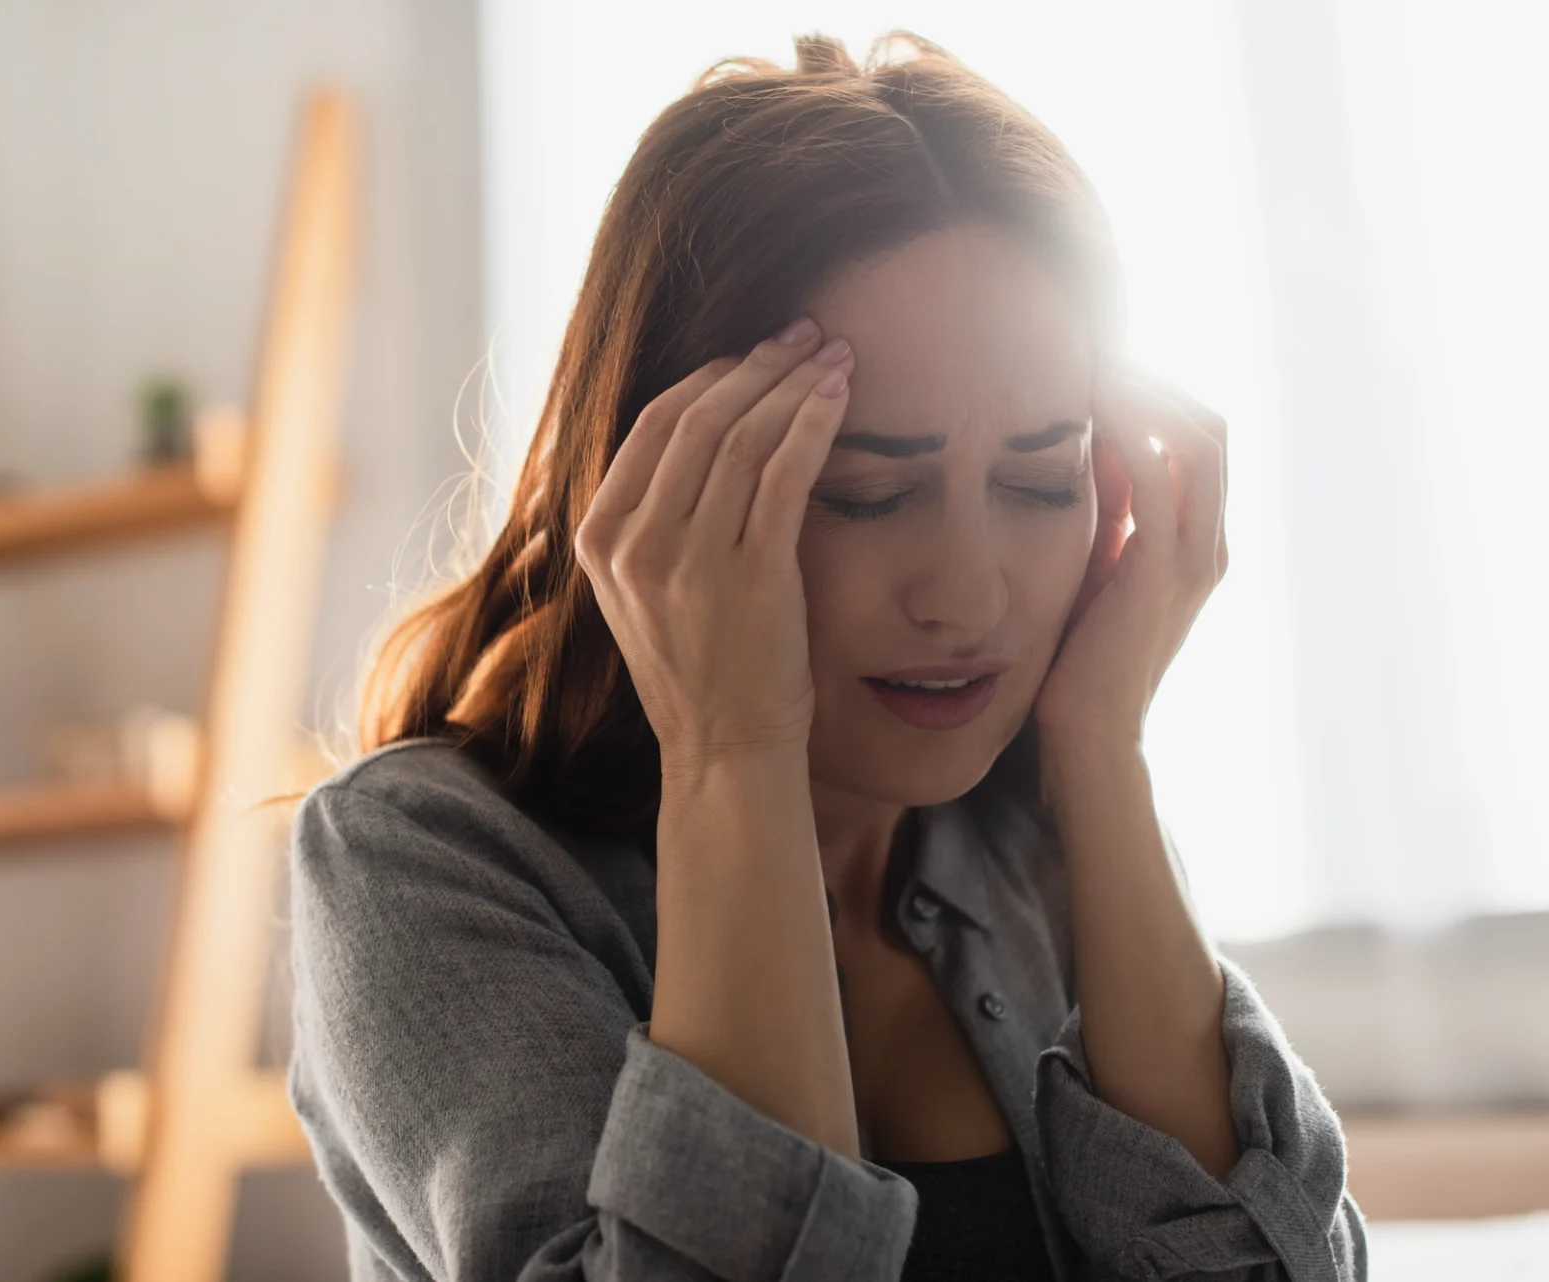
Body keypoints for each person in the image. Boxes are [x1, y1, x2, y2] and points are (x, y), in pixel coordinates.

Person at [284, 28, 1367, 1282]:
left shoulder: (1038, 834)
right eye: (861, 492)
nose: (968, 598)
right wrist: (731, 750)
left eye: (1038, 480)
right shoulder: (421, 861)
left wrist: (1102, 742)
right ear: (665, 489)